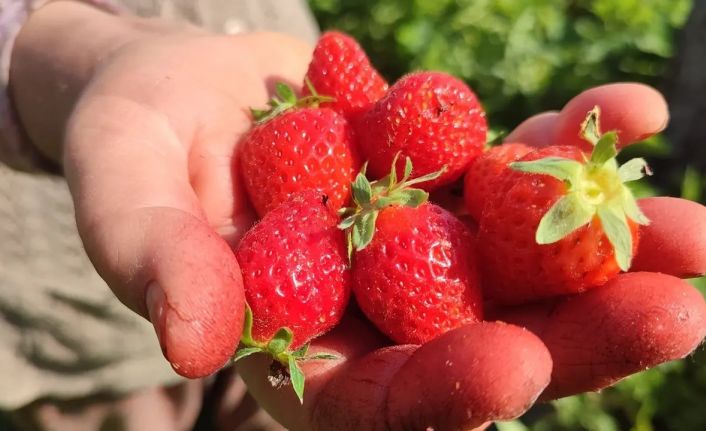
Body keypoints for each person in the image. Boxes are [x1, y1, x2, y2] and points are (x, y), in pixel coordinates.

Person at [1, 1, 704, 430]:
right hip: (65, 310)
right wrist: (58, 49)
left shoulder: (359, 163)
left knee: (306, 403)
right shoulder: (317, 188)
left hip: (260, 53)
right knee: (121, 411)